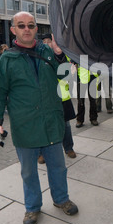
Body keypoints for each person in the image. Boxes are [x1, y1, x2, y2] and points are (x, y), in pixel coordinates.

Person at [0, 12, 78, 224]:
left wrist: (59, 55)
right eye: (22, 25)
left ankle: (61, 199)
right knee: (28, 172)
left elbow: (65, 77)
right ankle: (33, 207)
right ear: (13, 30)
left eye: (31, 25)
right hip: (25, 124)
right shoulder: (6, 59)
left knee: (58, 167)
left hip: (52, 122)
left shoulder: (48, 51)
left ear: (36, 29)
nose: (27, 29)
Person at [38, 33, 77, 163]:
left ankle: (68, 148)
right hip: (45, 98)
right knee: (44, 125)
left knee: (65, 125)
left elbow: (69, 76)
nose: (47, 44)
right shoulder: (39, 57)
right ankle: (42, 152)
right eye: (44, 42)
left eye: (49, 41)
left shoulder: (62, 56)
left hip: (62, 97)